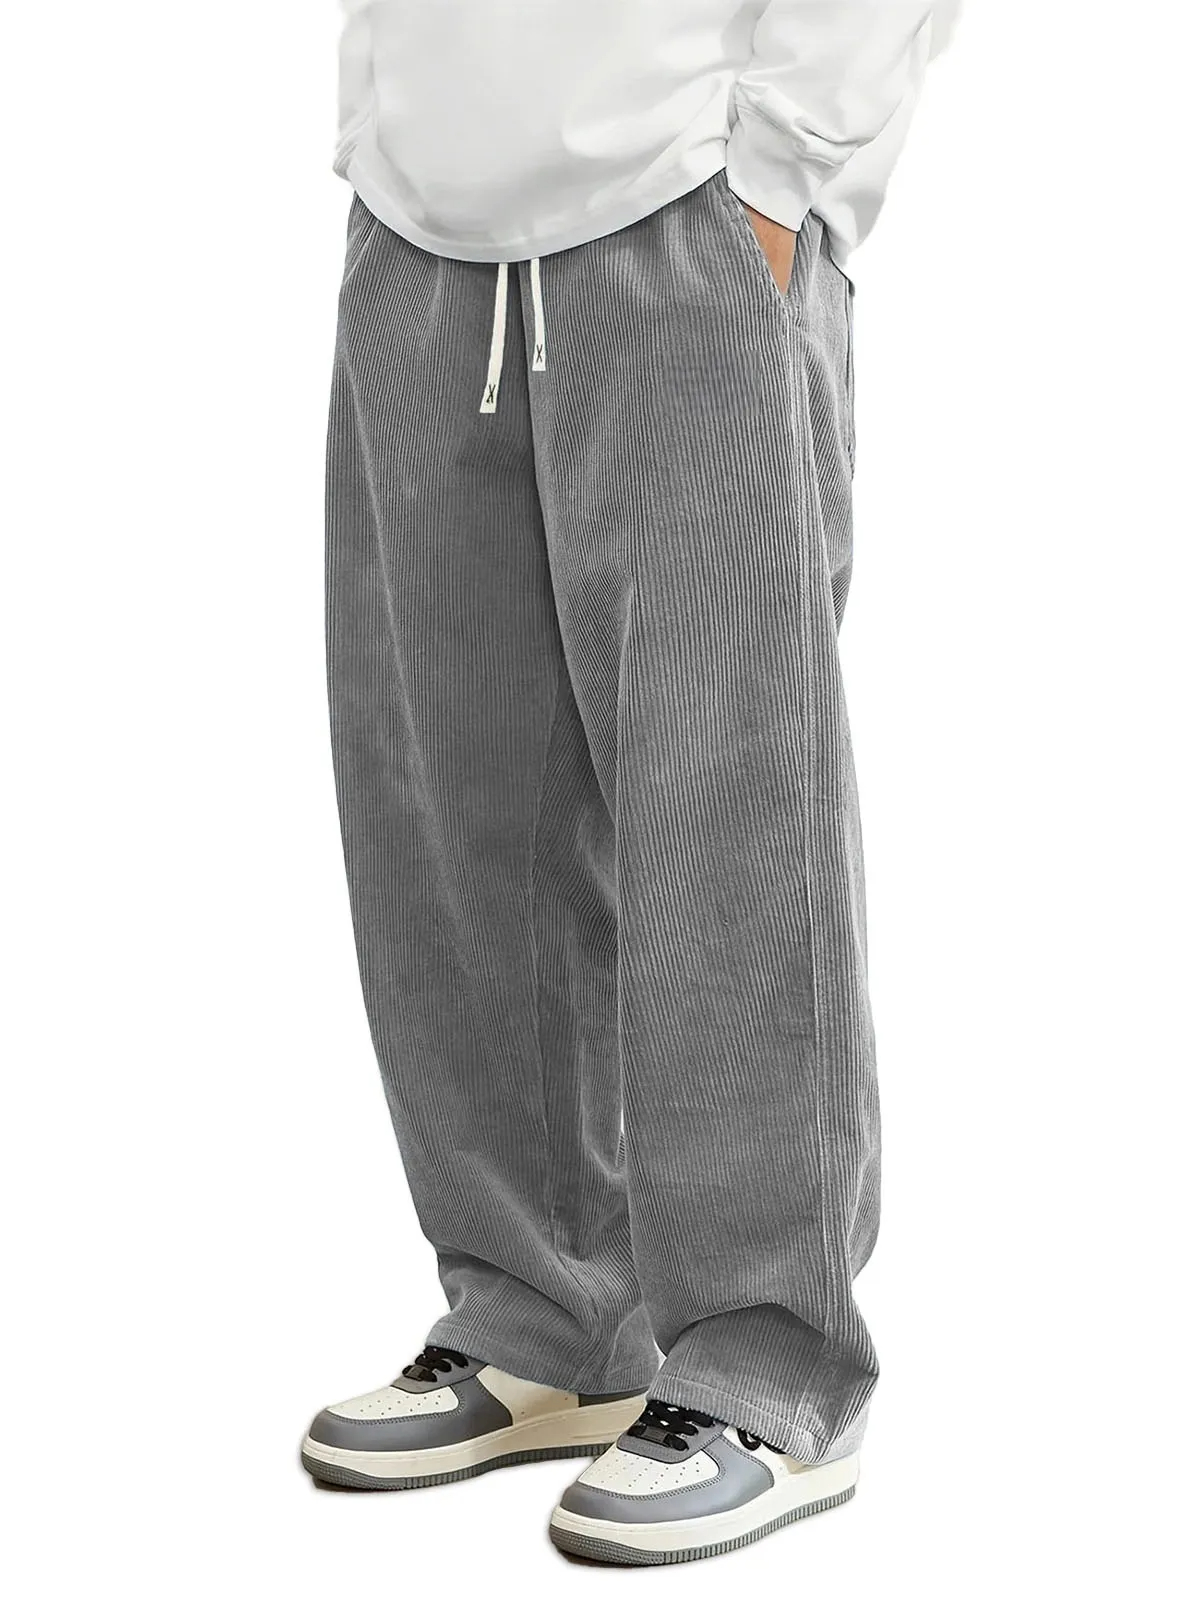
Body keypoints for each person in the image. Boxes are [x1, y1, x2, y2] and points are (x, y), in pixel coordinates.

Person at [302, 0, 959, 1566]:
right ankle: (542, 1312)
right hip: (420, 216)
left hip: (689, 199)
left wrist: (787, 170)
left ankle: (771, 1358)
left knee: (723, 803)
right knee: (444, 806)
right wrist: (376, 117)